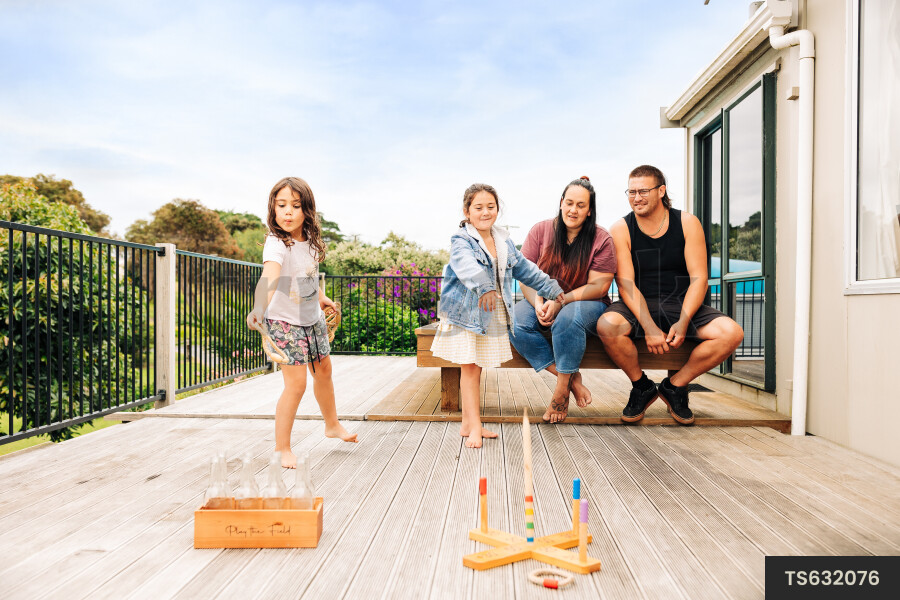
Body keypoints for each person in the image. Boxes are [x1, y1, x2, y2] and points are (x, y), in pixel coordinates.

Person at [597, 165, 744, 425]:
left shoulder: (687, 223)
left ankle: (675, 386)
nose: (636, 197)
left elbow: (699, 278)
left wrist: (684, 320)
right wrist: (649, 326)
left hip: (681, 302)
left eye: (643, 191)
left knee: (732, 333)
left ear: (661, 190)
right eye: (631, 192)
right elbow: (626, 284)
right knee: (606, 326)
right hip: (639, 303)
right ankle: (641, 386)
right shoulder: (620, 228)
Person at [430, 183, 564, 448]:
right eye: (478, 207)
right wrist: (486, 287)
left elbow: (526, 269)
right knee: (469, 369)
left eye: (490, 207)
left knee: (476, 368)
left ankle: (468, 423)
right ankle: (475, 427)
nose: (485, 212)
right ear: (467, 212)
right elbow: (467, 266)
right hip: (466, 315)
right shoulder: (461, 240)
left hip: (488, 313)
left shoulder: (503, 241)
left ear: (497, 209)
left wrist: (551, 287)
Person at [246, 177, 358, 469]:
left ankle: (332, 425)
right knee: (295, 386)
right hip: (286, 323)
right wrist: (259, 306)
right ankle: (282, 448)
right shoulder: (276, 244)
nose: (287, 212)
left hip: (312, 319)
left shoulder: (308, 241)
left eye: (295, 206)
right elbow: (270, 277)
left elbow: (305, 277)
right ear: (273, 208)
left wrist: (322, 298)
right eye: (281, 205)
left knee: (324, 371)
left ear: (307, 211)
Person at [510, 176, 617, 423]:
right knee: (514, 322)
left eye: (581, 205)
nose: (573, 210)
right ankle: (570, 377)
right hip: (542, 298)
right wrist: (537, 302)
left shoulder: (602, 238)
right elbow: (524, 276)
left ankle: (560, 393)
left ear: (590, 211)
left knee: (567, 319)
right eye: (569, 203)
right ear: (560, 203)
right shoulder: (540, 231)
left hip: (586, 303)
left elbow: (600, 285)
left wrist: (562, 300)